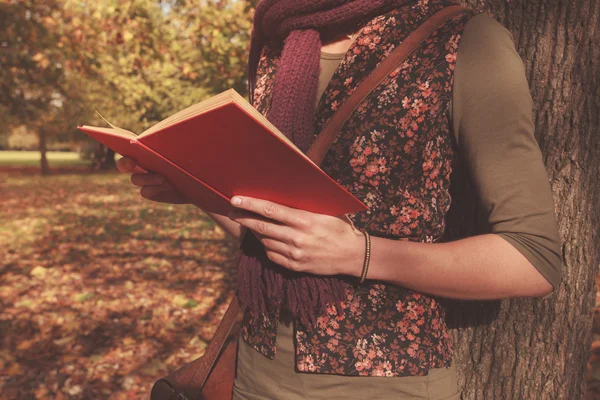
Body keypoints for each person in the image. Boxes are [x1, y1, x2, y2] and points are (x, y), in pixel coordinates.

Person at [117, 0, 563, 398]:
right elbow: (275, 234)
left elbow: (533, 260)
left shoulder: (464, 39)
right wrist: (195, 188)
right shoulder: (280, 40)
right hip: (253, 374)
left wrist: (359, 254)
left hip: (386, 384)